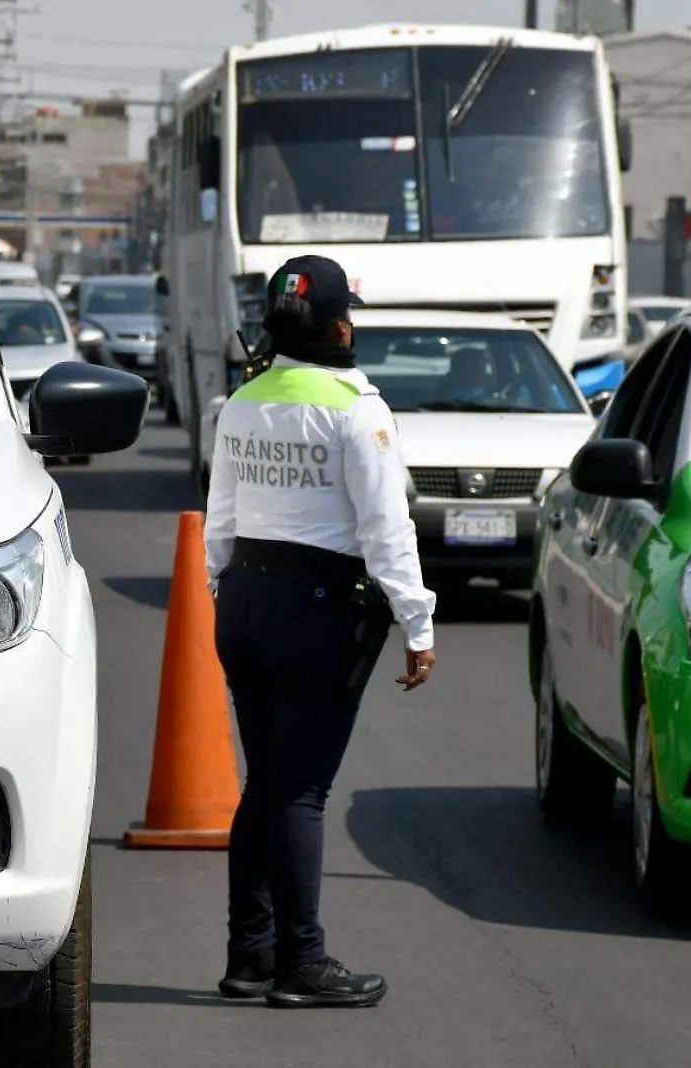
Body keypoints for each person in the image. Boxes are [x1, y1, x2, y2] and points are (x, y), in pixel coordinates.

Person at [203, 254, 437, 1009]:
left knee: (265, 784)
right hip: (313, 607)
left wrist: (222, 591)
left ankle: (251, 955)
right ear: (340, 324)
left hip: (242, 600)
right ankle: (303, 962)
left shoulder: (242, 400)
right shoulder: (354, 408)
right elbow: (385, 527)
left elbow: (222, 519)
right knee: (301, 790)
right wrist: (417, 620)